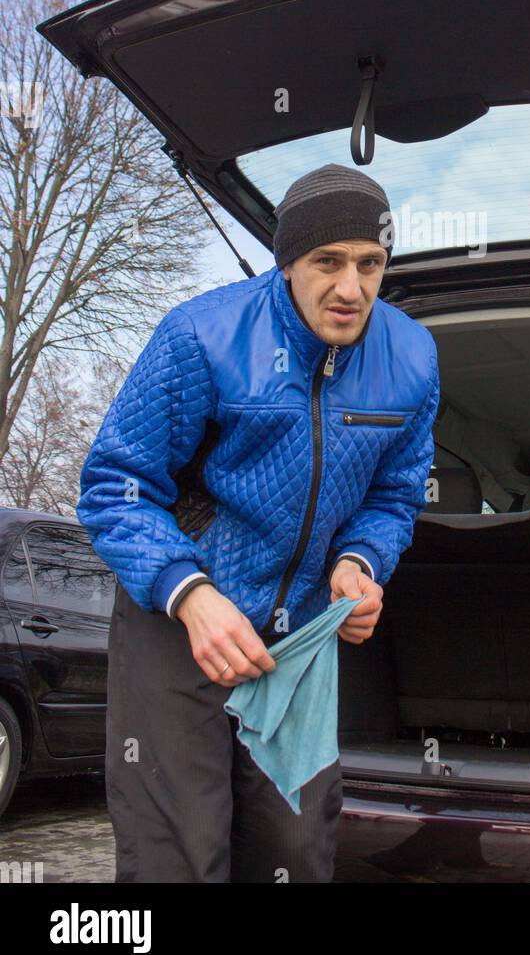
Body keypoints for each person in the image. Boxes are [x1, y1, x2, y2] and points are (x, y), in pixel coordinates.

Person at [79, 163, 440, 883]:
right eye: (327, 262)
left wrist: (360, 563)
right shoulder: (199, 337)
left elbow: (396, 496)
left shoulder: (412, 358)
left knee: (296, 854)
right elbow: (112, 488)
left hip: (297, 641)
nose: (350, 288)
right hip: (180, 621)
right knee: (179, 857)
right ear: (287, 264)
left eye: (370, 264)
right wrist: (191, 594)